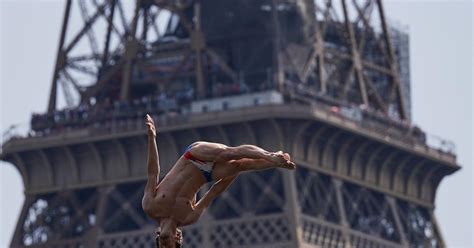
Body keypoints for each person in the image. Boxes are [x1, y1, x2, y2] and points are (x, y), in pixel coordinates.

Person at [141, 114, 295, 248]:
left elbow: (153, 172)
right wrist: (236, 170)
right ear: (177, 239)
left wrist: (151, 137)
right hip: (206, 174)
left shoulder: (150, 207)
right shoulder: (189, 217)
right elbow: (213, 192)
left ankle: (269, 156)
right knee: (241, 165)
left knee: (229, 153)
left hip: (192, 157)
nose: (164, 246)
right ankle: (277, 161)